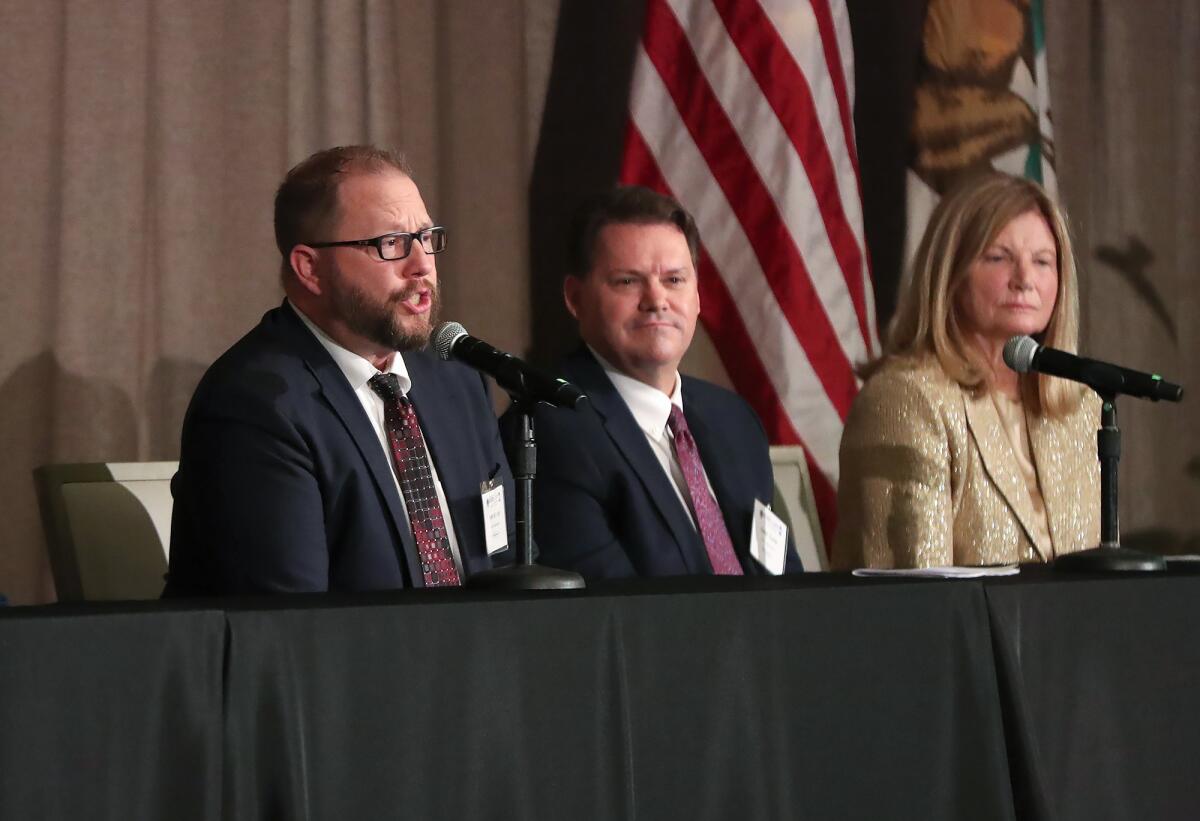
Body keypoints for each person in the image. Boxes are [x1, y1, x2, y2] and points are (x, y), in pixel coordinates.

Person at [164, 145, 516, 595]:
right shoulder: (256, 405)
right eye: (391, 244)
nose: (422, 266)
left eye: (427, 238)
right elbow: (292, 621)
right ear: (310, 269)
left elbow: (508, 562)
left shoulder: (457, 381)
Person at [514, 186, 801, 580]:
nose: (656, 299)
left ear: (697, 296)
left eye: (674, 279)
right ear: (575, 297)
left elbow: (788, 583)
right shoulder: (549, 427)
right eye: (628, 282)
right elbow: (614, 614)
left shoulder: (734, 419)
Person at [832, 171, 1100, 569]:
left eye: (1042, 261)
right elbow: (910, 601)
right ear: (950, 273)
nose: (1025, 280)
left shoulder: (1079, 407)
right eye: (998, 258)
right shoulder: (905, 400)